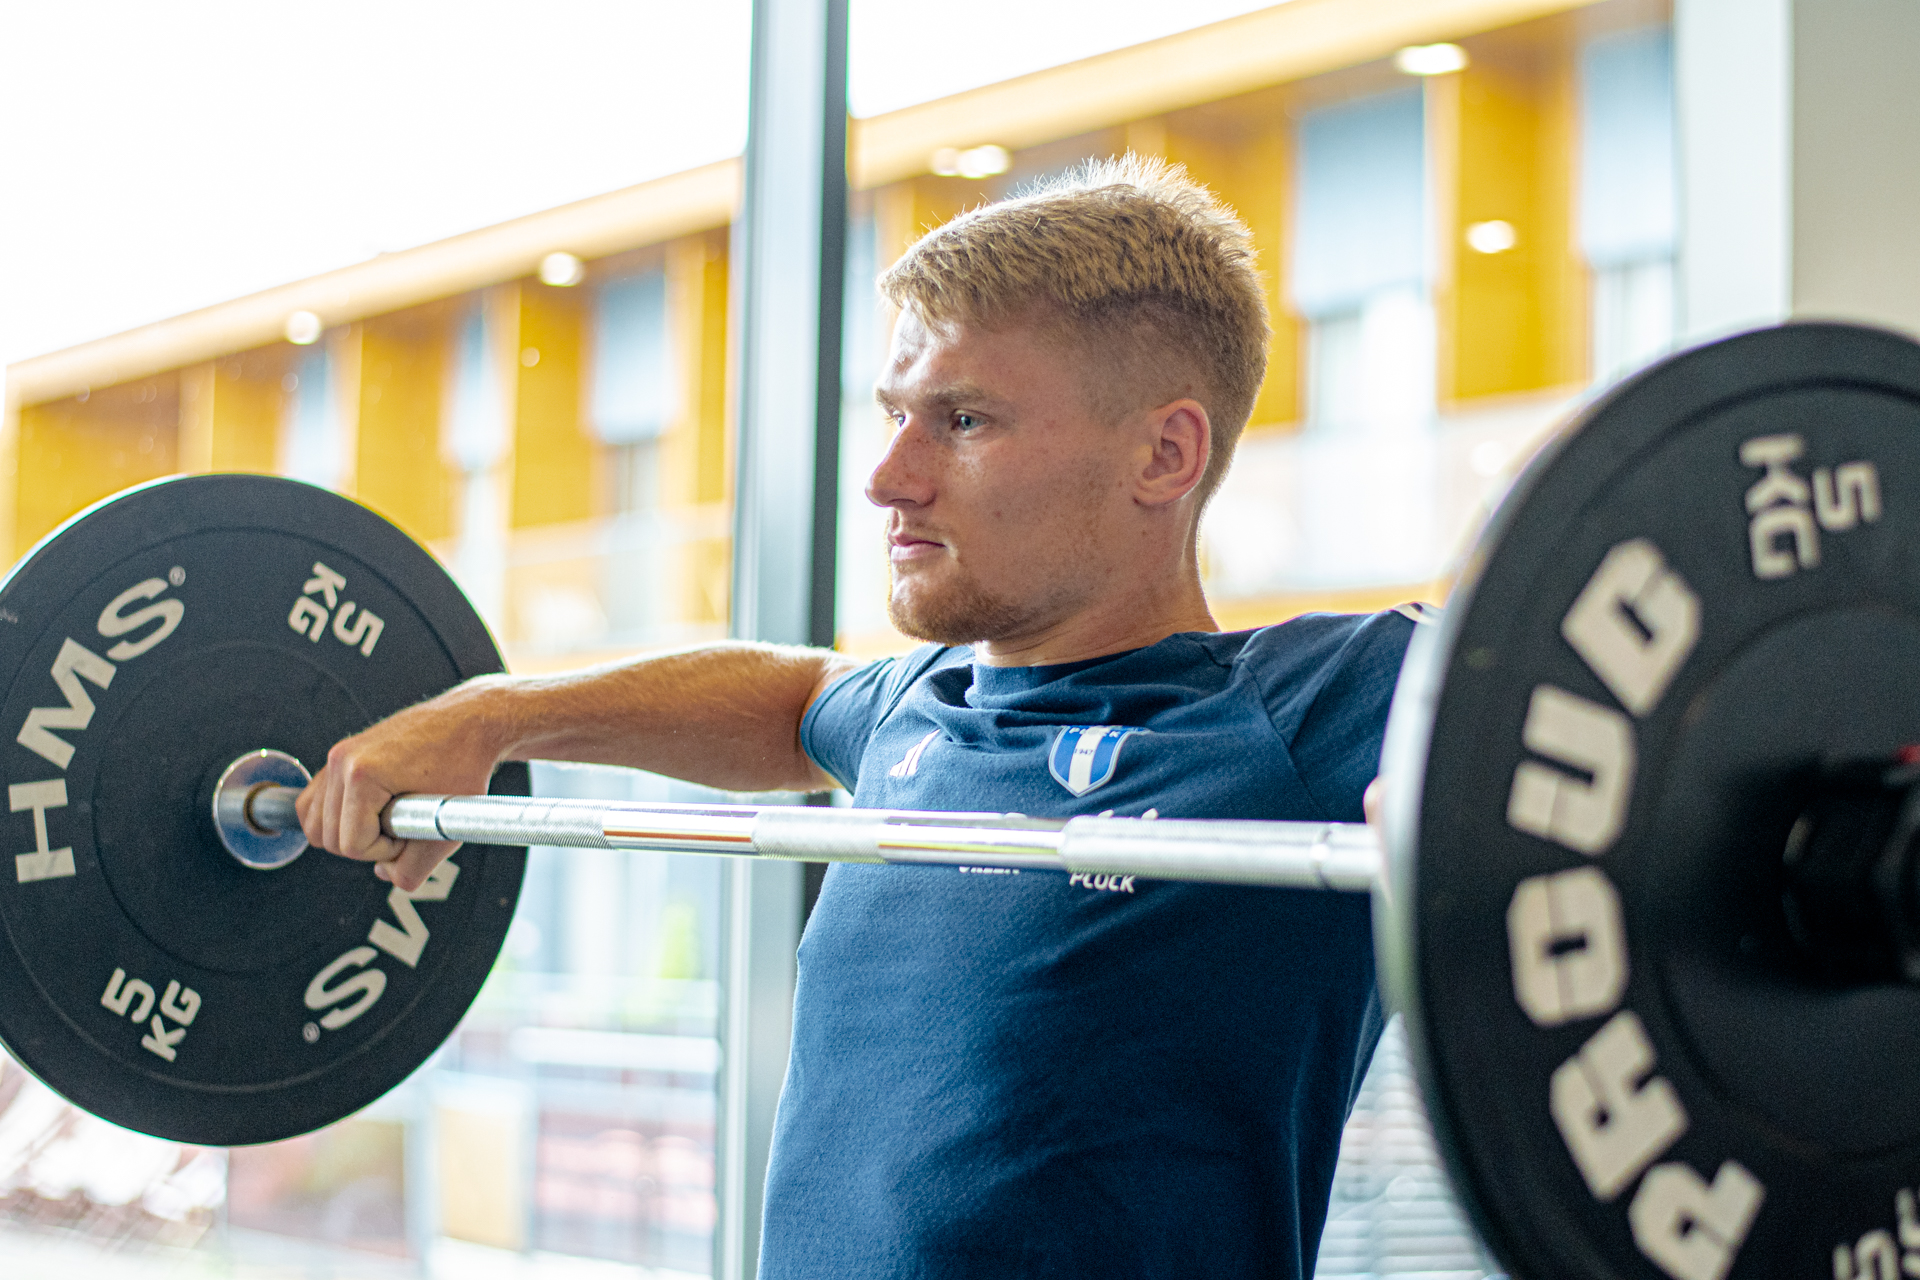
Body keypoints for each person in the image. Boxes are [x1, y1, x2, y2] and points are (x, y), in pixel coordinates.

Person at [298, 154, 1418, 1279]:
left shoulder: (1300, 710)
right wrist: (493, 718)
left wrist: (1461, 804)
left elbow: (1523, 645)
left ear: (1164, 455)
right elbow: (788, 695)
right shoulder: (914, 709)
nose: (887, 476)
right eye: (893, 415)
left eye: (963, 419)